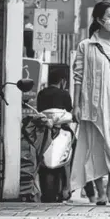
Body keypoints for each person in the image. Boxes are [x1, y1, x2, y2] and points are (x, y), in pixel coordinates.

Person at [71, 1, 110, 205]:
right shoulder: (86, 46)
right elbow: (78, 77)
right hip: (93, 105)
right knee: (95, 148)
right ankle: (100, 192)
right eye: (109, 15)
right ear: (99, 19)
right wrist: (76, 105)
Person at [37, 68, 73, 202]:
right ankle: (67, 186)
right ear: (62, 81)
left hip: (44, 129)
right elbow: (69, 111)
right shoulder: (64, 94)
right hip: (62, 129)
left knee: (36, 153)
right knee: (71, 150)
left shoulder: (41, 93)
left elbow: (39, 110)